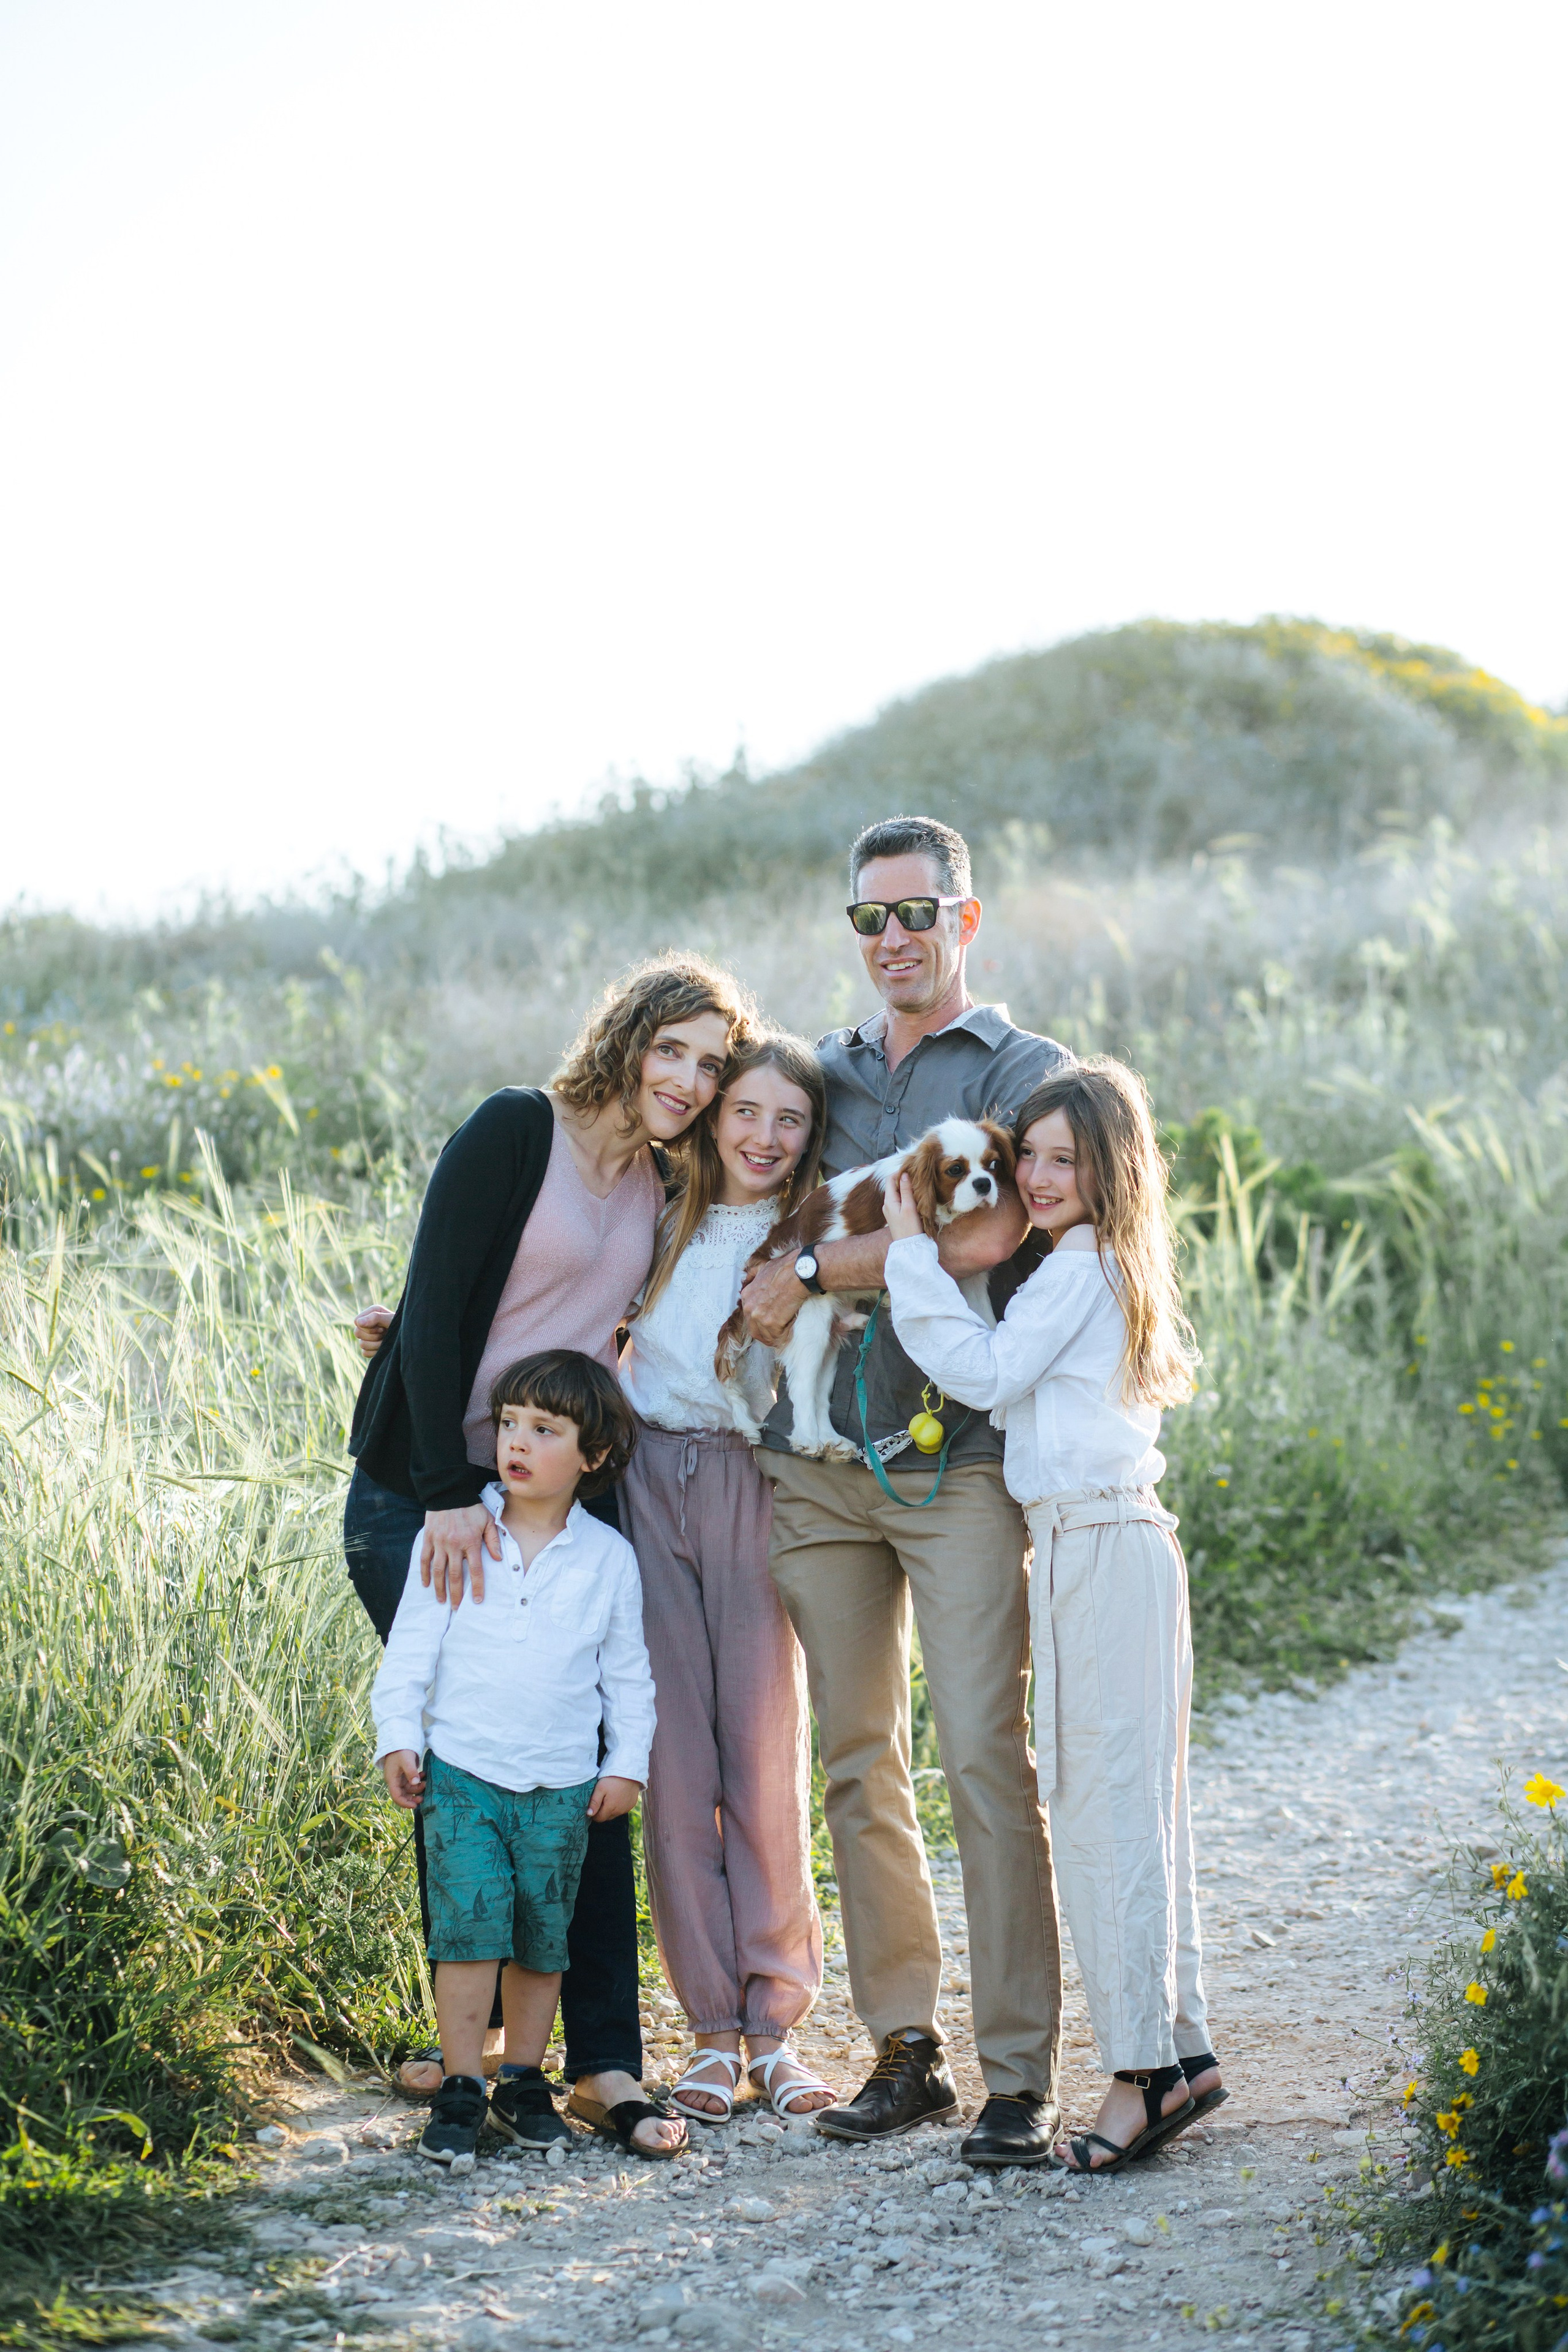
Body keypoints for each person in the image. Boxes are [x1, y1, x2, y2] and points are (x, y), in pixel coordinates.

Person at [347, 952, 752, 2154]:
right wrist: (441, 1490)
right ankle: (469, 2061)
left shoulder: (662, 1178)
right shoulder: (517, 1130)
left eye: (709, 1066)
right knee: (466, 1768)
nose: (685, 1080)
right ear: (627, 1035)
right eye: (670, 1049)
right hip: (427, 1498)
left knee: (582, 1776)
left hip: (559, 1497)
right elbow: (432, 1304)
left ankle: (603, 2066)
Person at [739, 814, 1071, 2165]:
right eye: (866, 918)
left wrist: (819, 1270)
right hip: (816, 1469)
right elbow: (715, 1201)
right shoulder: (809, 1074)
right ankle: (903, 2049)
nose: (890, 940)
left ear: (965, 920)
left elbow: (988, 1227)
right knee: (855, 1758)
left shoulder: (1020, 1069)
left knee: (986, 1755)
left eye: (914, 913)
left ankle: (1014, 2071)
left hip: (960, 1465)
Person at [882, 1057, 1226, 2171]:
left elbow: (980, 1374)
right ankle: (1180, 2050)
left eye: (1062, 1159)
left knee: (1103, 1810)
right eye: (1027, 1153)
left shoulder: (1077, 1264)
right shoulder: (1104, 1260)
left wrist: (904, 1256)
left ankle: (1139, 2081)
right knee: (1137, 1803)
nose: (1034, 1175)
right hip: (1114, 1541)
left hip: (1095, 1544)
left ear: (1109, 1168)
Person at [617, 1033, 838, 2125]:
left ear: (808, 1140)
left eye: (788, 1120)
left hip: (753, 1479)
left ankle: (778, 2026)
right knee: (674, 1756)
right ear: (715, 1119)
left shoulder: (809, 1237)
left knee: (760, 1751)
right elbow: (545, 1291)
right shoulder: (660, 1213)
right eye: (746, 1112)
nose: (763, 1136)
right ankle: (710, 2029)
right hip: (647, 1476)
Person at [373, 1351, 658, 2171]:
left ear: (594, 1455)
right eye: (508, 1424)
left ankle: (524, 2083)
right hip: (462, 1776)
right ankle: (464, 2083)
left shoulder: (608, 1560)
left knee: (542, 1942)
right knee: (467, 1936)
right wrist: (399, 1735)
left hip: (563, 1787)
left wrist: (626, 1763)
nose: (517, 1443)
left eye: (545, 1429)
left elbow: (628, 1679)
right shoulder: (459, 1536)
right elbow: (410, 1654)